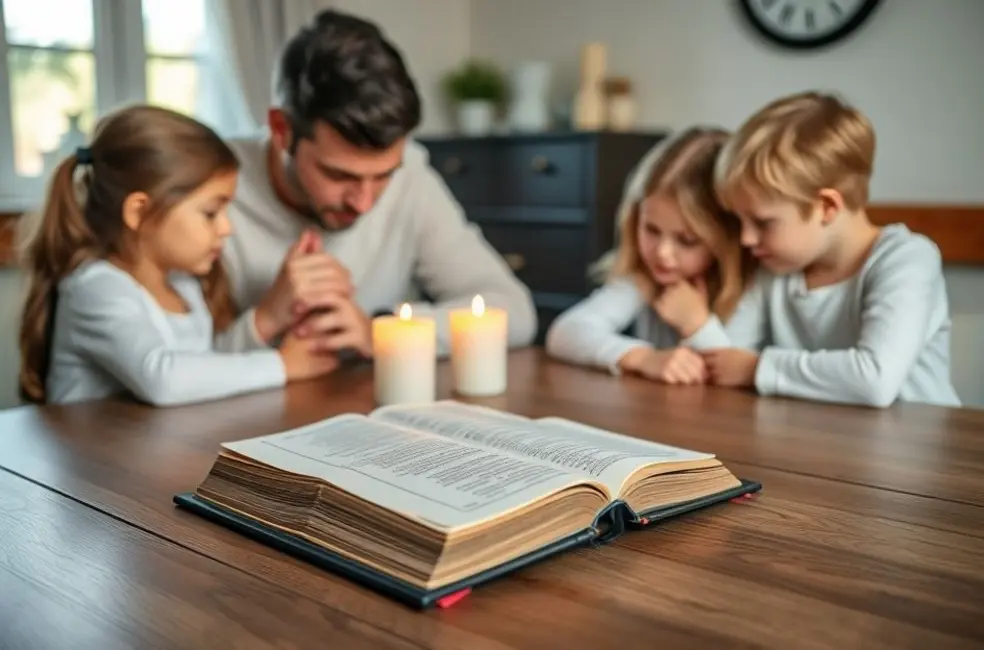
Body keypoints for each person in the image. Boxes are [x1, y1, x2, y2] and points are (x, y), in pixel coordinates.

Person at [215, 9, 537, 359]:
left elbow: (515, 313)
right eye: (339, 175)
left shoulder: (411, 174)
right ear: (281, 130)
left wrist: (380, 331)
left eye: (384, 175)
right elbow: (169, 364)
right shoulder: (212, 187)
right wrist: (265, 319)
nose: (364, 203)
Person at [18, 105, 338, 406]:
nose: (227, 228)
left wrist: (267, 320)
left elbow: (206, 366)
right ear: (139, 211)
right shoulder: (96, 288)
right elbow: (164, 379)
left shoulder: (183, 285)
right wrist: (281, 365)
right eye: (211, 212)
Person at [704, 90, 961, 408]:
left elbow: (874, 381)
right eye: (739, 221)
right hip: (826, 445)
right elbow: (725, 359)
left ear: (826, 206)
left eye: (762, 222)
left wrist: (756, 368)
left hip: (921, 449)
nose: (745, 239)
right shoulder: (777, 266)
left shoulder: (906, 259)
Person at [545, 127, 761, 384]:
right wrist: (643, 358)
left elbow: (731, 377)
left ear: (725, 240)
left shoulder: (749, 286)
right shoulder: (644, 277)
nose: (662, 253)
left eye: (687, 240)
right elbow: (565, 332)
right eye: (651, 229)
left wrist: (696, 324)